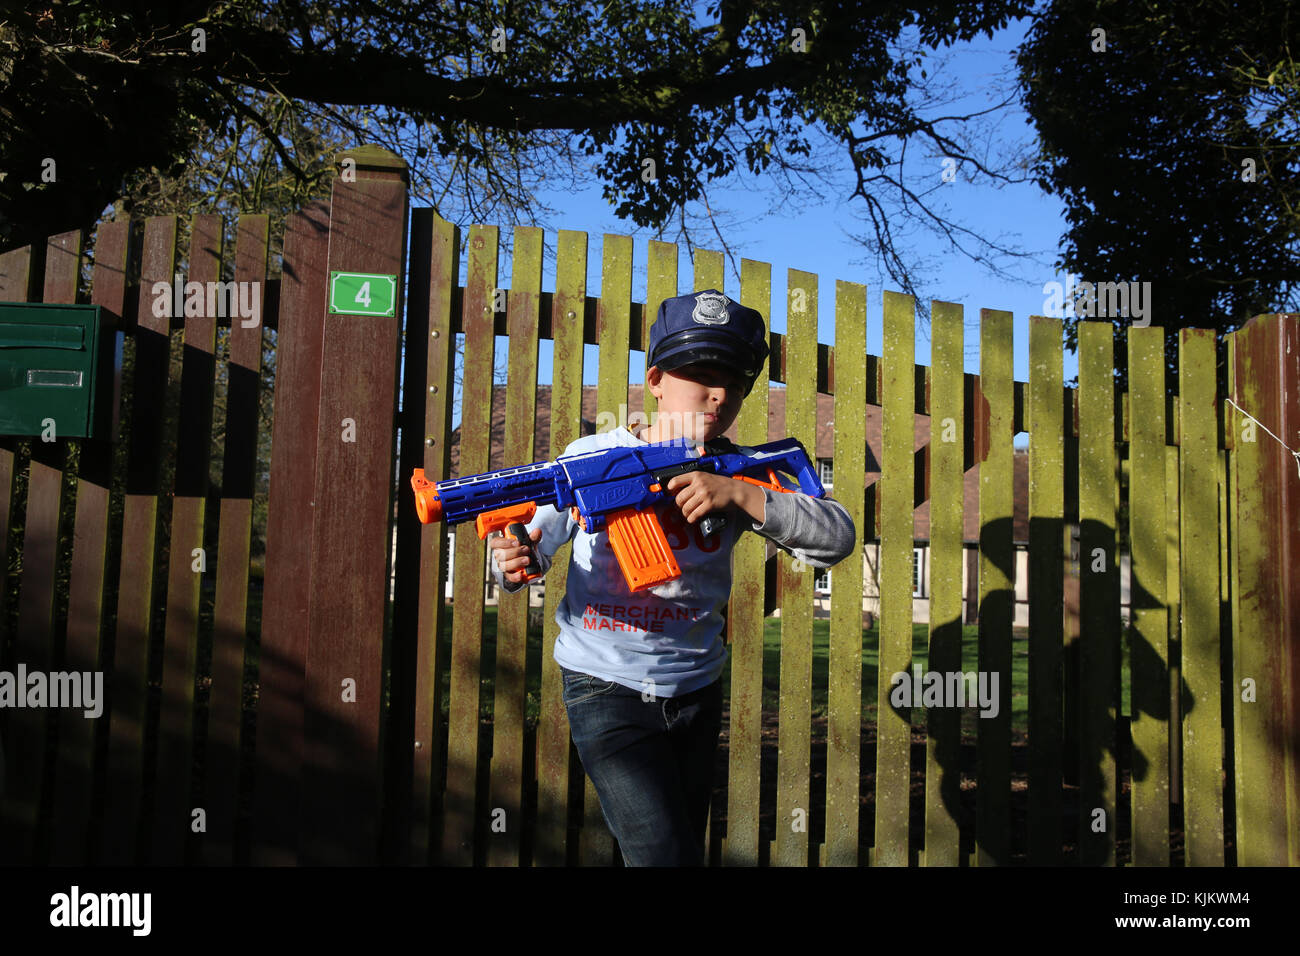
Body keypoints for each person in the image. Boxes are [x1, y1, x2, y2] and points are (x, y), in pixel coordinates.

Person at [488, 289, 856, 866]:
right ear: (656, 379)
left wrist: (740, 493)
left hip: (695, 689)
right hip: (602, 685)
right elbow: (533, 545)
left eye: (734, 381)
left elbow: (836, 536)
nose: (717, 393)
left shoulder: (736, 472)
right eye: (699, 375)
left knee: (678, 843)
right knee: (661, 854)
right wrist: (515, 562)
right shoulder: (592, 456)